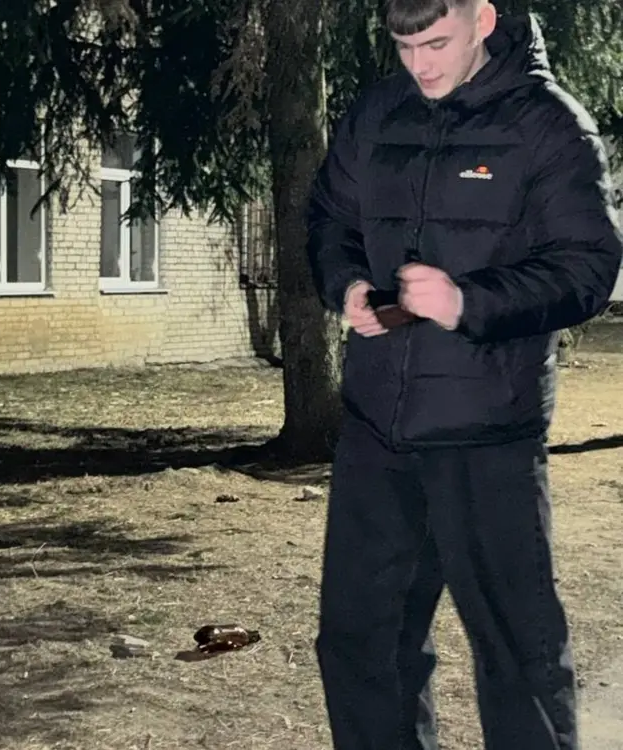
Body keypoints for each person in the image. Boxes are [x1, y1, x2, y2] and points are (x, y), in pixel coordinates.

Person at [306, 1, 623, 749]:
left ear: (482, 17)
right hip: (378, 431)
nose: (420, 65)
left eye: (437, 43)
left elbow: (589, 269)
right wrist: (346, 284)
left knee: (517, 654)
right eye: (405, 46)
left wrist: (467, 302)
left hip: (490, 434)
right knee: (360, 642)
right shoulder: (376, 114)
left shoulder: (549, 125)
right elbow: (328, 218)